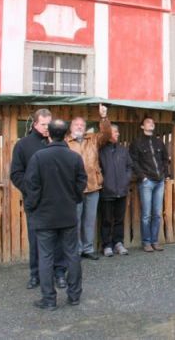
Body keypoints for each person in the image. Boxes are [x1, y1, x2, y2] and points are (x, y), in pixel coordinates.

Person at [24, 120, 87, 310]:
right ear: (66, 133)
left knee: (46, 257)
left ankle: (49, 300)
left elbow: (31, 186)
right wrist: (74, 199)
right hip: (67, 214)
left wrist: (31, 207)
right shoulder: (74, 157)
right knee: (72, 254)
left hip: (44, 216)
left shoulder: (38, 157)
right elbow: (81, 183)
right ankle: (74, 295)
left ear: (49, 134)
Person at [11, 109, 67, 290]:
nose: (46, 128)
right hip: (35, 202)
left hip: (57, 201)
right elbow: (16, 173)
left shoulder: (59, 144)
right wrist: (31, 191)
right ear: (34, 124)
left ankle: (59, 273)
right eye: (43, 124)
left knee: (59, 240)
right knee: (35, 239)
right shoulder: (23, 145)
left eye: (48, 124)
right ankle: (35, 274)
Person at [66, 104, 112, 259]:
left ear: (85, 127)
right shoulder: (66, 142)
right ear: (70, 127)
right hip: (74, 189)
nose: (79, 127)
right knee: (75, 221)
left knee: (90, 221)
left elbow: (106, 134)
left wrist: (104, 118)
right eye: (76, 124)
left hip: (93, 186)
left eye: (82, 125)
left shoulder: (92, 139)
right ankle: (77, 250)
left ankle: (88, 248)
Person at [130, 115, 170, 252]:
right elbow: (133, 162)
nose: (151, 124)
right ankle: (146, 242)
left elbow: (165, 159)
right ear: (142, 126)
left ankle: (155, 241)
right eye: (148, 122)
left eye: (152, 122)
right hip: (147, 182)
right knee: (146, 214)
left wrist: (165, 174)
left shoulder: (159, 142)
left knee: (157, 214)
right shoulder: (137, 142)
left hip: (159, 181)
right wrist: (143, 177)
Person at [99, 124, 133, 257]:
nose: (117, 134)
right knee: (106, 220)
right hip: (107, 191)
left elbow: (130, 166)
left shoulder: (123, 150)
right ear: (107, 134)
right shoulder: (100, 150)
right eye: (114, 132)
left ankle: (118, 243)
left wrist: (126, 179)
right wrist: (104, 181)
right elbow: (98, 169)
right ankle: (106, 245)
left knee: (119, 220)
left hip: (122, 190)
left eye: (118, 131)